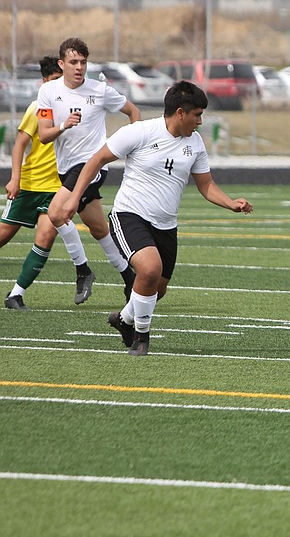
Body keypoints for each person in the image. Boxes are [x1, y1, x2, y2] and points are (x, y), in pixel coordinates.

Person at [51, 81, 253, 356]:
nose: (200, 121)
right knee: (148, 270)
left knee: (157, 289)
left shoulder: (194, 143)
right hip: (129, 215)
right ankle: (141, 338)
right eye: (197, 115)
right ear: (180, 113)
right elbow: (96, 160)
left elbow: (206, 184)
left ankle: (124, 319)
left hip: (166, 224)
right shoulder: (141, 132)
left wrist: (230, 203)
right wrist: (74, 198)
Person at [37, 37, 141, 301]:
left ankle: (83, 270)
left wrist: (133, 145)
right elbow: (43, 136)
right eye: (73, 62)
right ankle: (130, 278)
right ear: (62, 64)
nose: (79, 67)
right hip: (66, 167)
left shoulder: (100, 90)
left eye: (83, 62)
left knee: (56, 213)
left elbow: (133, 112)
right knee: (98, 229)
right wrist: (63, 126)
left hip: (92, 164)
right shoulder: (48, 91)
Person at [3, 56, 96, 310]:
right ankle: (83, 268)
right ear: (44, 82)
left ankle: (15, 295)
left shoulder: (75, 106)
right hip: (30, 184)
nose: (59, 86)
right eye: (54, 81)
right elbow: (20, 144)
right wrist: (15, 178)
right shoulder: (38, 107)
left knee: (45, 237)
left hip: (56, 187)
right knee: (3, 235)